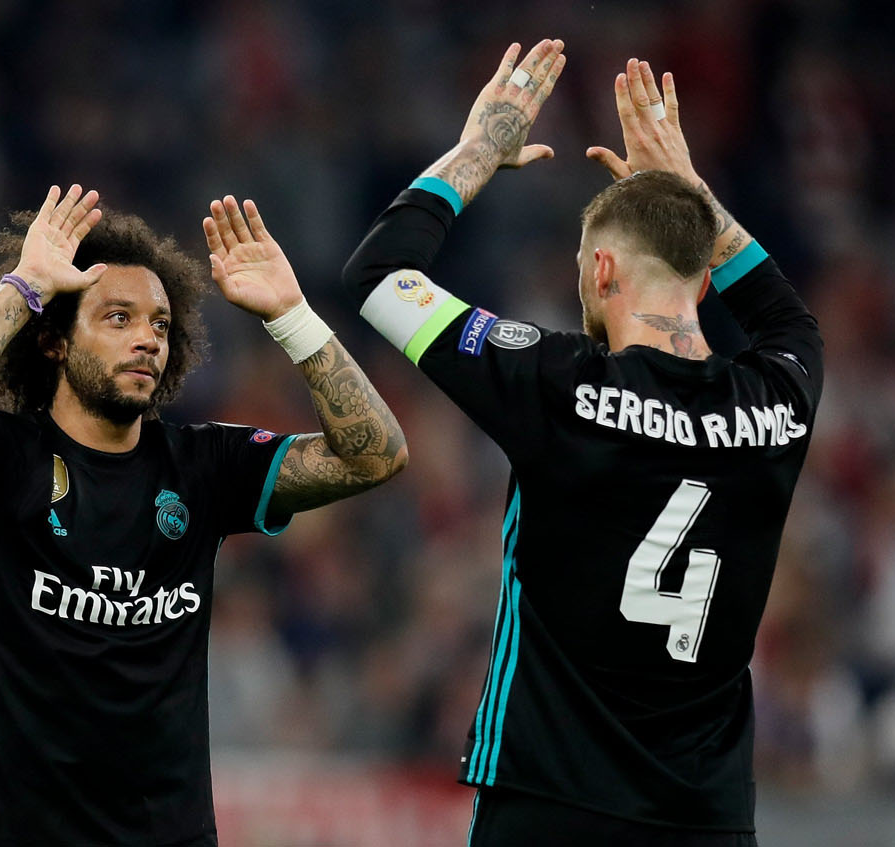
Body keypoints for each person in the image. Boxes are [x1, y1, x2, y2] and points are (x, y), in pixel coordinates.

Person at [341, 42, 821, 846]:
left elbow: (381, 274)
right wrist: (690, 193)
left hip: (550, 804)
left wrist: (478, 149)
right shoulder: (779, 401)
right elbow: (788, 319)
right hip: (706, 819)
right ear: (705, 280)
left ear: (601, 270)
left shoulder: (558, 383)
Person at [0, 184, 407, 846]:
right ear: (53, 341)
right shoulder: (3, 459)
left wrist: (291, 315)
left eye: (159, 324)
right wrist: (26, 287)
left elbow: (376, 455)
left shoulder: (203, 466)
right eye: (118, 318)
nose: (146, 341)